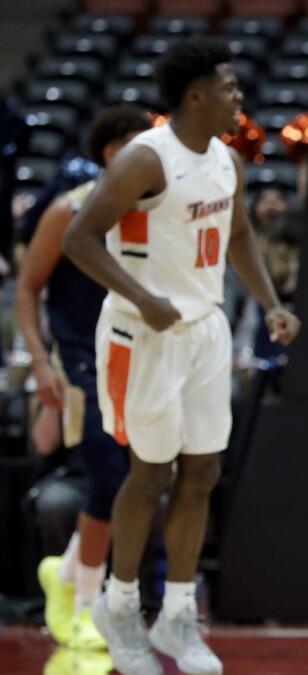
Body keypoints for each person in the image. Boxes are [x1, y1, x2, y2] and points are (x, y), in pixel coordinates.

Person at [62, 37, 301, 675]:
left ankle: (176, 617)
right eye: (229, 87)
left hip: (204, 328)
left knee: (202, 474)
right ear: (197, 96)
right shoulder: (146, 159)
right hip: (144, 334)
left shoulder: (227, 160)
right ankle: (119, 606)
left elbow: (241, 235)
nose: (239, 97)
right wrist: (144, 297)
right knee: (150, 475)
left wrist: (271, 302)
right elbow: (78, 239)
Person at [15, 106, 151, 651]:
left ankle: (67, 570)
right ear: (115, 153)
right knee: (108, 472)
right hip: (81, 358)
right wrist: (41, 363)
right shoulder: (68, 211)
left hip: (139, 354)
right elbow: (27, 289)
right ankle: (86, 603)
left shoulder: (154, 211)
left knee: (143, 474)